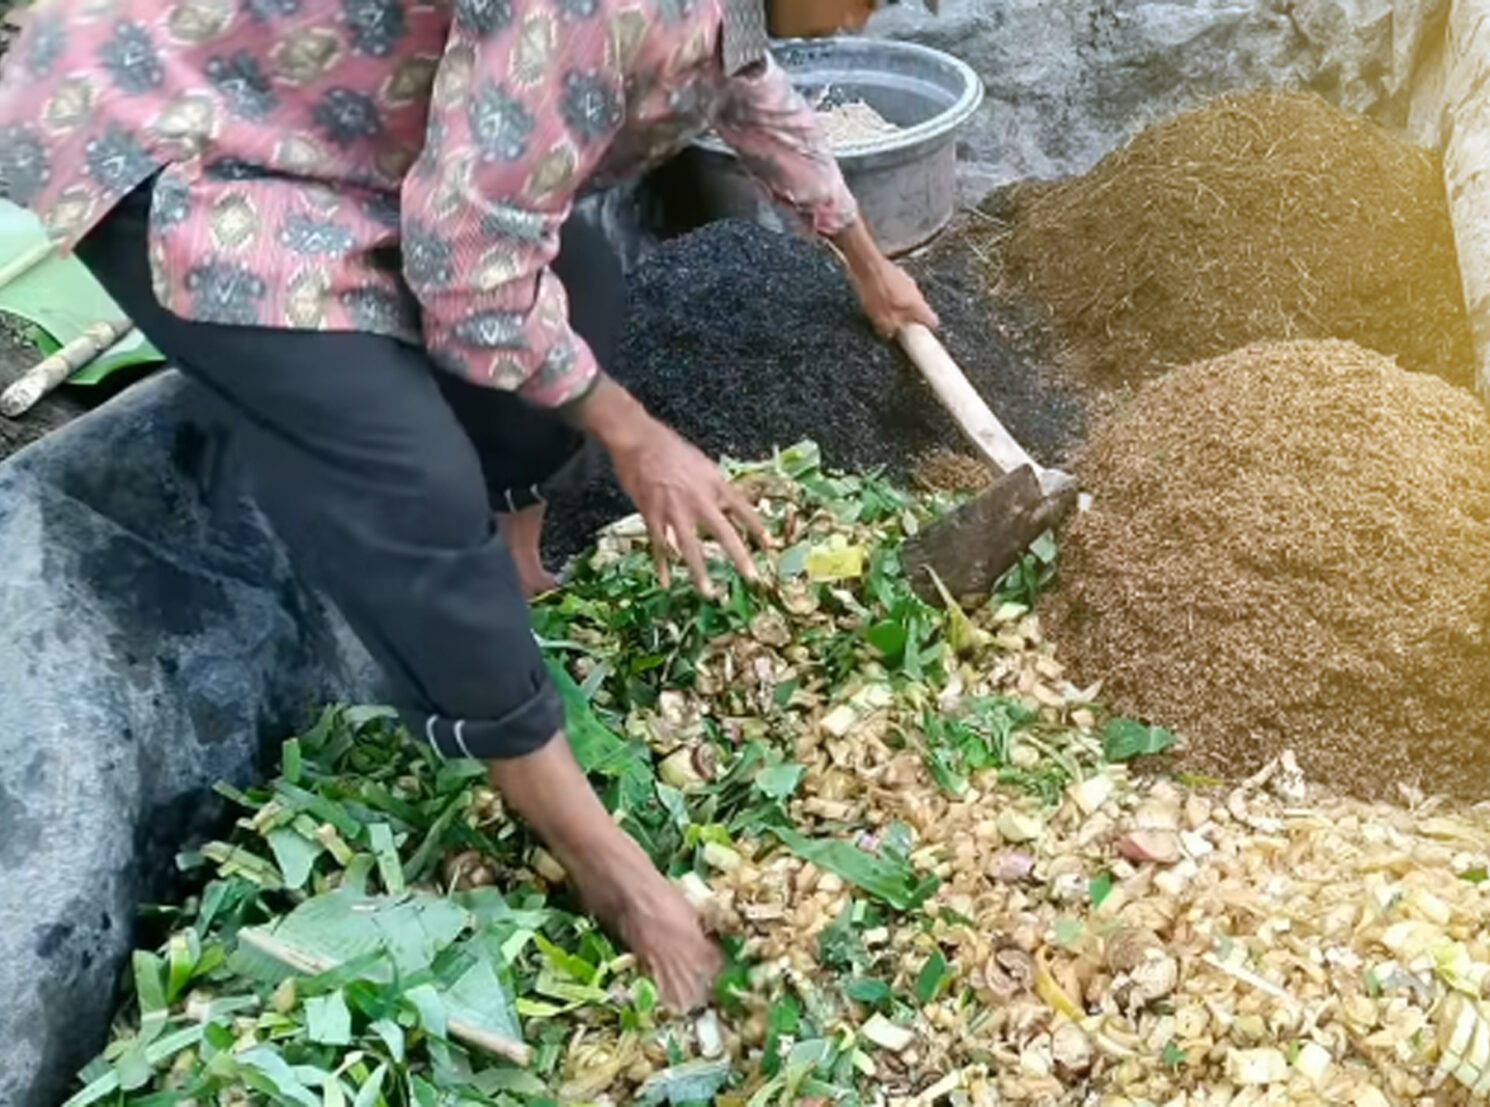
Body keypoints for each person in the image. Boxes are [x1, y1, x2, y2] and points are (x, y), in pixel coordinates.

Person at [0, 0, 938, 1011]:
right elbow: (469, 272)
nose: (869, 10)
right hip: (178, 137)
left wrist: (868, 265)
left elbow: (747, 89)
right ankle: (600, 856)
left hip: (338, 130)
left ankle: (521, 573)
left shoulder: (712, 16)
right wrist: (637, 438)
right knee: (401, 472)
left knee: (578, 280)